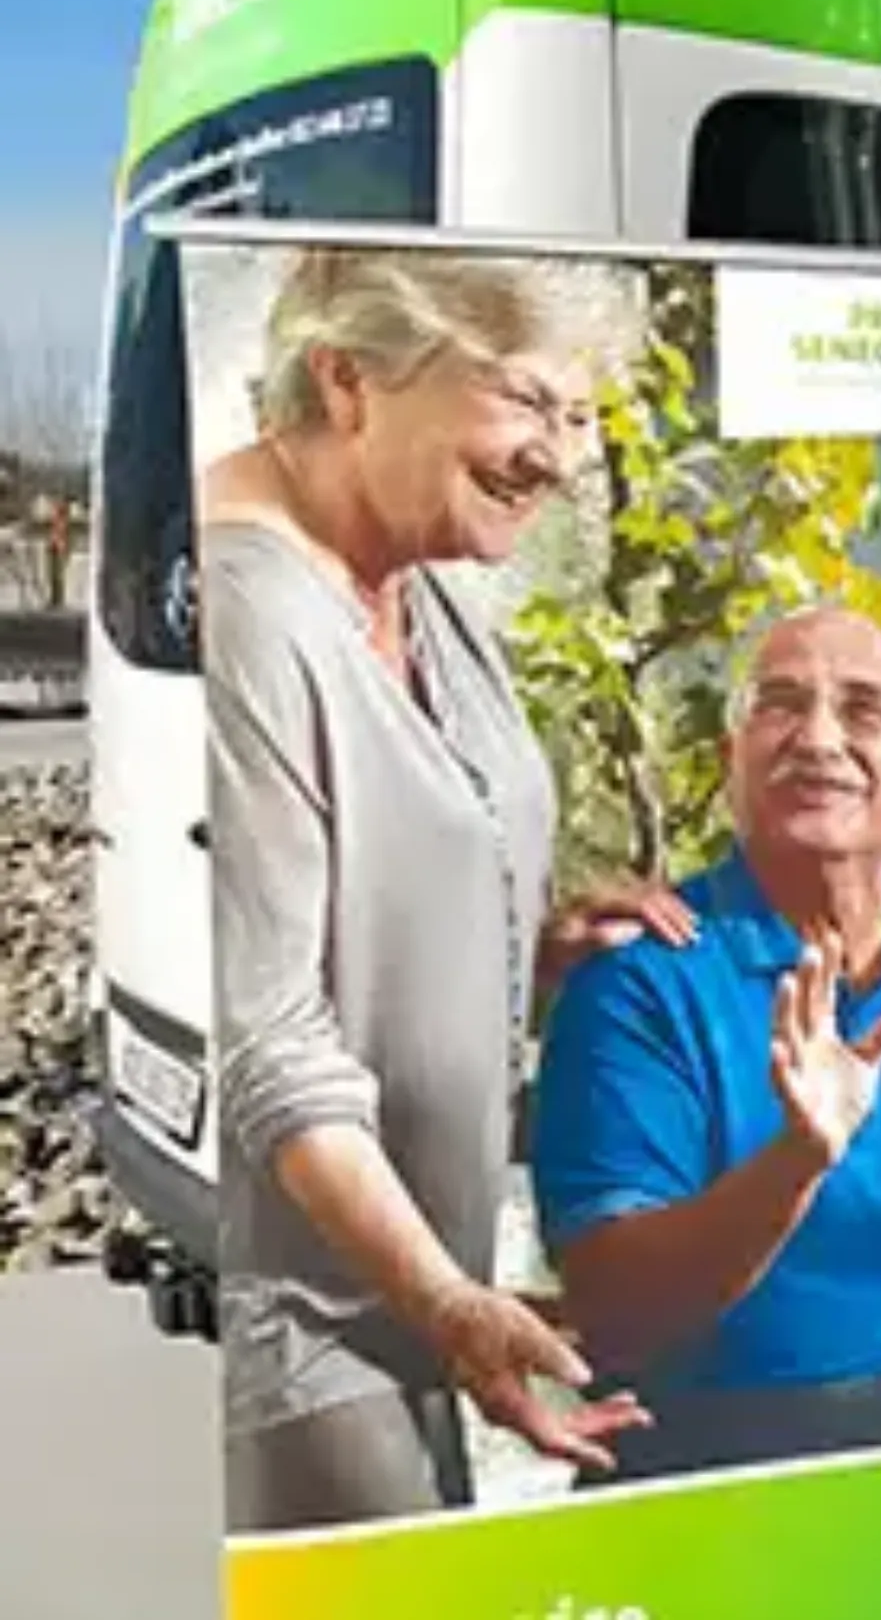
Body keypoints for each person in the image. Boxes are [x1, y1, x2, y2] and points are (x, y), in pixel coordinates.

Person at [206, 246, 693, 1532]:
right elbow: (269, 1037)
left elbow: (384, 916)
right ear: (350, 382)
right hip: (321, 1328)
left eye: (579, 416)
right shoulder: (254, 613)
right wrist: (445, 1305)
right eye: (530, 402)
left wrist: (530, 951)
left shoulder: (423, 577)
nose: (565, 456)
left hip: (422, 1296)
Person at [527, 605, 881, 1481]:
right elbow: (614, 1309)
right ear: (731, 764)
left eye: (862, 709)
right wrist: (798, 1160)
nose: (817, 737)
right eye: (778, 704)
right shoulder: (637, 981)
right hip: (734, 1460)